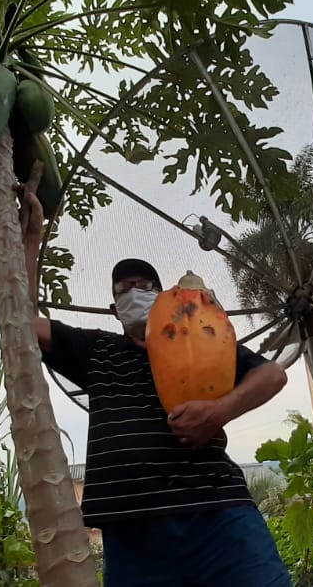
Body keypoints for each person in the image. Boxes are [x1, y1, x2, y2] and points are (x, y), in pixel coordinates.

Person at [17, 189, 294, 587]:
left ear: (166, 299)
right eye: (123, 289)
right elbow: (23, 321)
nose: (135, 293)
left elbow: (273, 375)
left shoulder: (204, 337)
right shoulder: (95, 349)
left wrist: (219, 412)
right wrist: (30, 242)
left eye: (145, 285)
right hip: (131, 529)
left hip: (217, 510)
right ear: (114, 309)